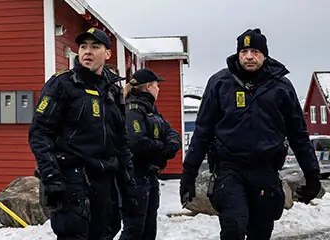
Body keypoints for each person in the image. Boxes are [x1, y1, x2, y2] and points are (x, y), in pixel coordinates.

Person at [180, 29, 322, 240]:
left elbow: (298, 134)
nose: (249, 56)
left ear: (265, 55)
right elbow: (202, 131)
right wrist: (189, 174)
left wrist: (312, 175)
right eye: (244, 51)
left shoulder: (281, 86)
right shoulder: (220, 83)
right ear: (238, 54)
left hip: (266, 170)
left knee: (261, 231)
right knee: (233, 226)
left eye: (255, 51)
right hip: (230, 169)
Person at [29, 28, 141, 240]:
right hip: (72, 180)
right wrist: (51, 175)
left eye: (95, 47)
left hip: (105, 181)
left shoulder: (113, 90)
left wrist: (128, 187)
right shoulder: (62, 84)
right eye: (83, 47)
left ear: (107, 54)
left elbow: (121, 143)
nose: (87, 51)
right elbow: (39, 133)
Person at [119, 68, 182, 240]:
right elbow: (137, 141)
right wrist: (162, 148)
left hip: (150, 177)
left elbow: (171, 132)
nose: (159, 89)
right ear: (148, 87)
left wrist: (171, 145)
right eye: (156, 85)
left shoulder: (151, 110)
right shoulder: (133, 110)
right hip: (135, 177)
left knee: (148, 229)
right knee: (134, 229)